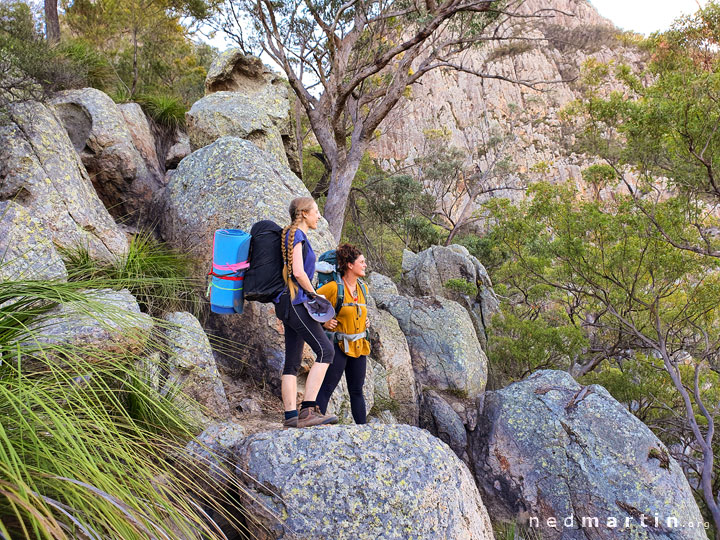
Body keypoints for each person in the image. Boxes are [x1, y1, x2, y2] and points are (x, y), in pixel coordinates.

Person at [274, 197, 338, 428]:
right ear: (304, 214)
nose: (319, 216)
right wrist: (315, 294)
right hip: (295, 300)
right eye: (316, 211)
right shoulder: (298, 236)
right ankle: (307, 410)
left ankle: (291, 416)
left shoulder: (289, 235)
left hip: (285, 302)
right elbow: (299, 273)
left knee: (292, 362)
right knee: (326, 351)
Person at [315, 244, 370, 424]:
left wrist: (365, 321)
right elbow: (309, 303)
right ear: (349, 265)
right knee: (328, 387)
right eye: (361, 262)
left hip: (359, 346)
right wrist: (323, 321)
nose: (365, 265)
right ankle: (312, 423)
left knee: (357, 391)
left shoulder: (363, 288)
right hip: (338, 346)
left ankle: (364, 431)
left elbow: (358, 311)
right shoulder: (332, 288)